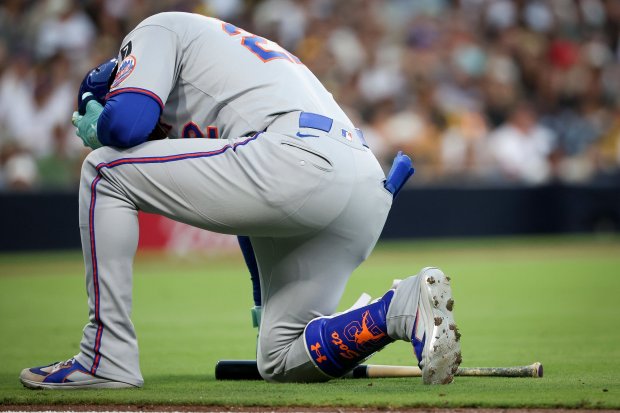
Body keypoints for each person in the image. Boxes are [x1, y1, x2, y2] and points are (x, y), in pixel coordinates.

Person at [19, 12, 460, 389]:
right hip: (360, 184)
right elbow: (250, 207)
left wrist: (104, 126)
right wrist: (262, 301)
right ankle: (394, 311)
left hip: (297, 158)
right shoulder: (228, 65)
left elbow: (129, 121)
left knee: (102, 169)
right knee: (280, 359)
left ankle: (104, 356)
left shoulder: (156, 29)